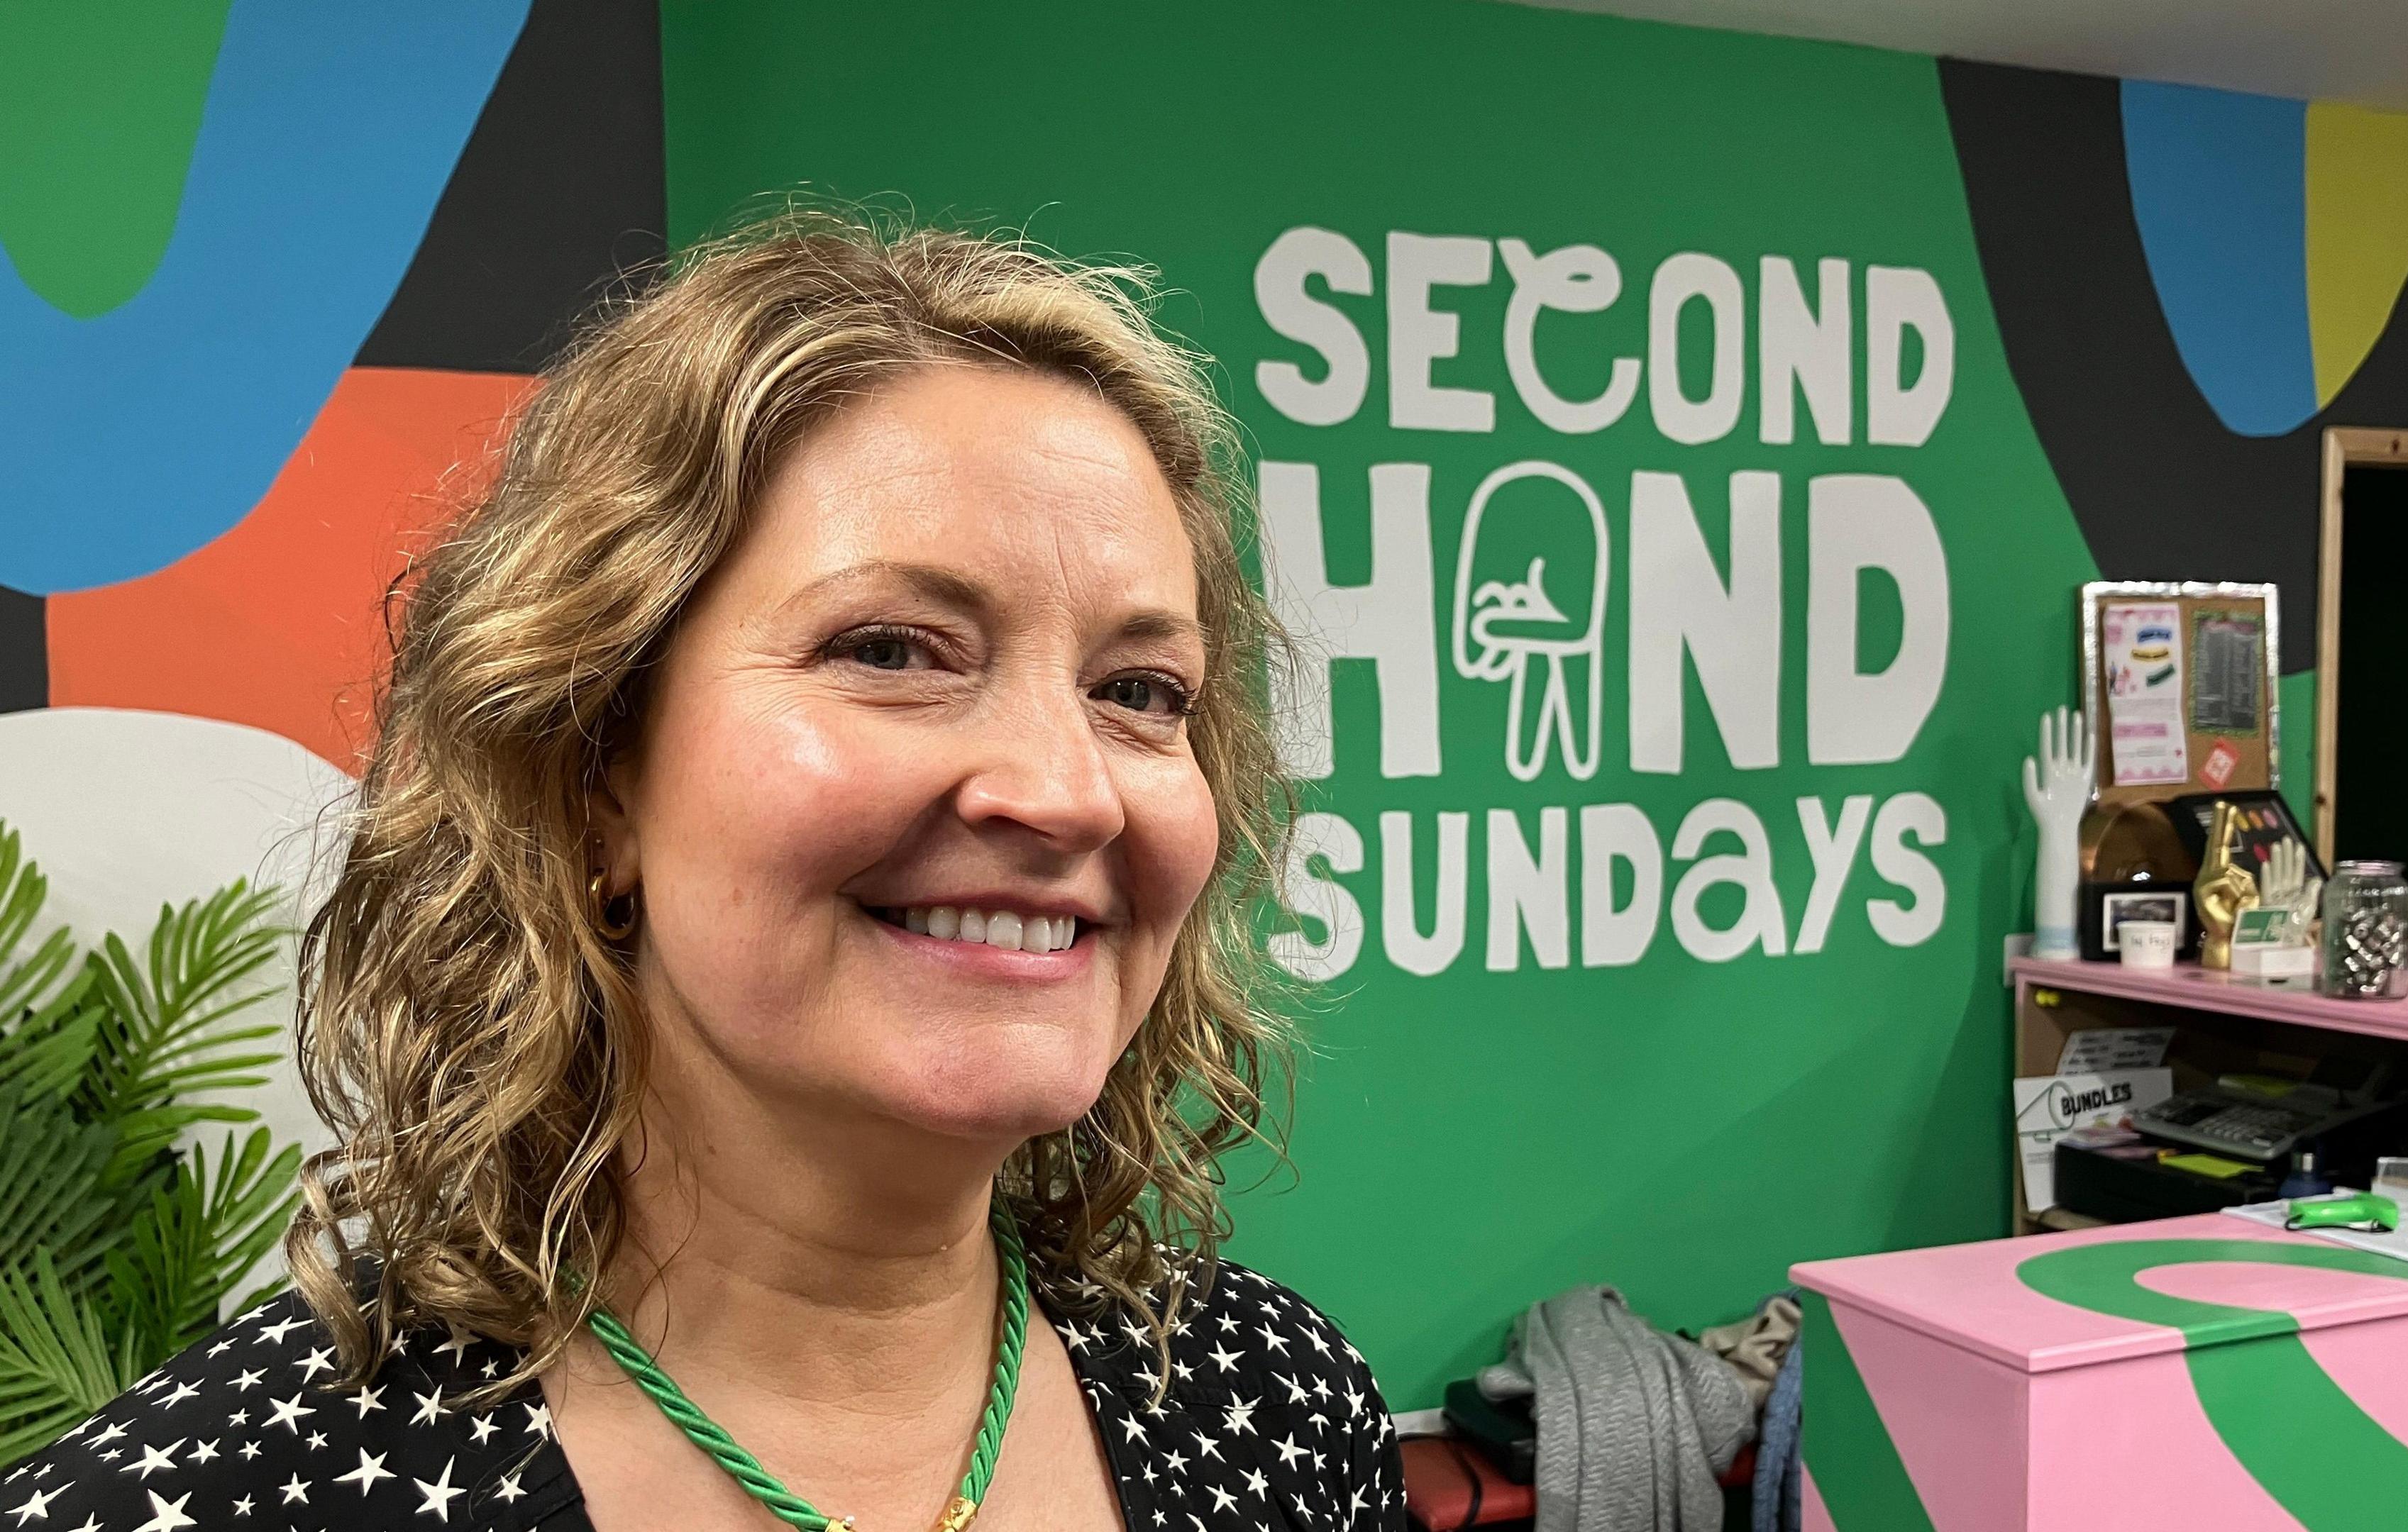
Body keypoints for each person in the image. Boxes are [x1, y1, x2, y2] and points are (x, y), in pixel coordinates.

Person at [5, 212, 1403, 1532]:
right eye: (892, 651)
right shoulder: (206, 1501)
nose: (1065, 790)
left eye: (1141, 689)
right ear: (594, 773)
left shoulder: (1270, 1402)